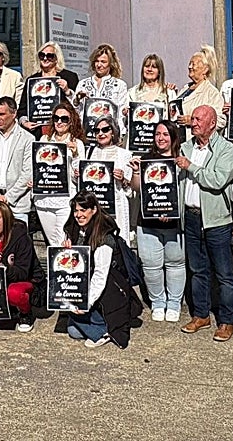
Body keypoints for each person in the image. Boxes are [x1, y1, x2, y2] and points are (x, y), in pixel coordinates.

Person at [177, 104, 233, 342]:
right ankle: (201, 315)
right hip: (191, 217)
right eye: (192, 119)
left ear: (212, 123)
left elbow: (218, 180)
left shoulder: (226, 149)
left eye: (198, 119)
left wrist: (190, 166)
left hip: (217, 220)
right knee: (197, 270)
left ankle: (226, 321)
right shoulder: (186, 147)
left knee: (224, 274)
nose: (193, 123)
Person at [62, 192, 143, 348]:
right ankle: (95, 325)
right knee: (73, 331)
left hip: (108, 288)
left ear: (93, 210)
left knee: (75, 323)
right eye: (76, 210)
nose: (78, 215)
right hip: (85, 281)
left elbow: (101, 274)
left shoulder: (104, 236)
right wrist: (67, 250)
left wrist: (86, 302)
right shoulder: (74, 228)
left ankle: (104, 329)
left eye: (83, 210)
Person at [129, 120, 185, 322]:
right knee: (151, 266)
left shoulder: (181, 159)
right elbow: (137, 188)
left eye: (165, 134)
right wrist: (136, 171)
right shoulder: (146, 159)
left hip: (175, 223)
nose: (161, 138)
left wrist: (169, 209)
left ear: (173, 137)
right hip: (148, 222)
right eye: (157, 134)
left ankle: (174, 303)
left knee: (175, 264)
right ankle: (158, 302)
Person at [0, 201, 42, 333]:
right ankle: (3, 311)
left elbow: (23, 273)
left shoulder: (21, 237)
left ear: (6, 219)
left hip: (23, 281)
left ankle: (25, 313)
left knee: (14, 293)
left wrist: (2, 267)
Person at [34, 99, 82, 246]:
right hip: (43, 199)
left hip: (65, 200)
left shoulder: (77, 143)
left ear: (71, 121)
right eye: (56, 118)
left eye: (64, 119)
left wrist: (75, 155)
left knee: (63, 242)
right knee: (52, 243)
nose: (59, 122)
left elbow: (78, 178)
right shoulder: (44, 139)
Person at [0, 96, 34, 223]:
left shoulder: (28, 139)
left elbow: (27, 172)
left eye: (2, 114)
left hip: (17, 205)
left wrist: (8, 198)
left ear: (14, 114)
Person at [83, 115, 134, 235]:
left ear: (113, 132)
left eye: (105, 130)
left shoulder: (125, 155)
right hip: (94, 209)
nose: (101, 133)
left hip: (116, 209)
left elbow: (130, 191)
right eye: (97, 130)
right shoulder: (89, 152)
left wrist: (123, 179)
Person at [17, 41, 79, 136]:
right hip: (38, 131)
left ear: (57, 59)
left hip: (63, 131)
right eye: (42, 55)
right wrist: (24, 122)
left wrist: (67, 91)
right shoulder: (31, 80)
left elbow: (78, 107)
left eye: (50, 56)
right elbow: (22, 109)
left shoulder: (70, 77)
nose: (45, 58)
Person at [75, 43, 130, 131]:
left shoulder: (119, 85)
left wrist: (119, 133)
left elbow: (121, 113)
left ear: (111, 64)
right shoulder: (83, 84)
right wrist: (77, 99)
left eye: (103, 62)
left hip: (109, 133)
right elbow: (76, 112)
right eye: (97, 61)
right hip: (86, 131)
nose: (99, 65)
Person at [173, 45, 225, 133]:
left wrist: (194, 121)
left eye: (194, 64)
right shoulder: (185, 89)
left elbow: (220, 121)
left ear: (205, 69)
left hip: (194, 138)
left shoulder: (212, 93)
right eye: (190, 63)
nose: (190, 67)